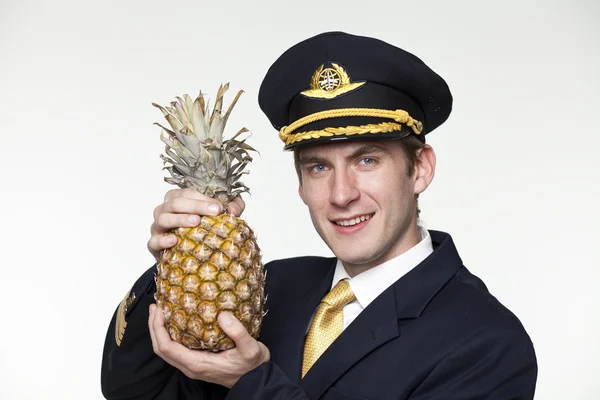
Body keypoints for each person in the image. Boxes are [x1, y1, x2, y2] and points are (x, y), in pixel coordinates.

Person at [101, 31, 538, 399]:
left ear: (419, 168)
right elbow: (133, 388)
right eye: (319, 167)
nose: (342, 194)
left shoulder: (487, 342)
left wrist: (253, 383)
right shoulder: (271, 287)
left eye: (367, 160)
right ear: (300, 183)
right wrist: (174, 260)